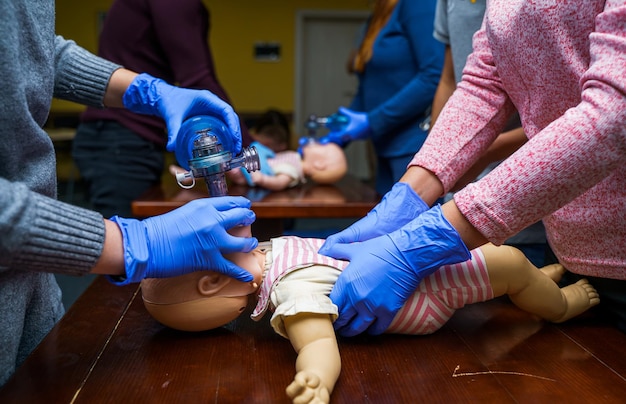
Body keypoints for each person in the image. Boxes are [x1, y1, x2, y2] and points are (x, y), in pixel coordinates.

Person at [318, 0, 626, 337]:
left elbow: (613, 113)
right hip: (572, 245)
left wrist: (427, 239)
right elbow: (484, 82)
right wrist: (410, 195)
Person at [0, 0, 259, 386]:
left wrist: (146, 90)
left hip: (28, 269)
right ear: (208, 283)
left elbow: (31, 50)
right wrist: (134, 243)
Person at [140, 225, 599, 403]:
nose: (232, 320)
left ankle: (537, 281)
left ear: (209, 285)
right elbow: (318, 342)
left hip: (408, 269)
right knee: (508, 263)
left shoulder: (271, 250)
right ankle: (560, 306)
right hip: (424, 295)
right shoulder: (289, 288)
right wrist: (316, 379)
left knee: (504, 267)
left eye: (218, 319)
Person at [72, 0, 252, 218]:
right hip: (121, 138)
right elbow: (197, 77)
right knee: (123, 239)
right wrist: (249, 145)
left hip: (125, 136)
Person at [430, 0, 549, 267]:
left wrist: (483, 153)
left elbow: (580, 112)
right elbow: (452, 79)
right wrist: (436, 160)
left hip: (531, 215)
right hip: (456, 210)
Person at [317, 0, 444, 195]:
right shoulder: (380, 14)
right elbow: (369, 84)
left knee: (409, 222)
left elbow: (433, 75)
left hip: (414, 147)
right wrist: (340, 134)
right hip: (384, 146)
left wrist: (373, 121)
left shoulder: (418, 4)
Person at [229, 140, 348, 191]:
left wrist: (263, 179)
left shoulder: (294, 169)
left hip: (247, 172)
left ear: (320, 164)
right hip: (250, 162)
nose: (317, 142)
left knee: (226, 163)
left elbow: (280, 182)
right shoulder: (296, 158)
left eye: (323, 146)